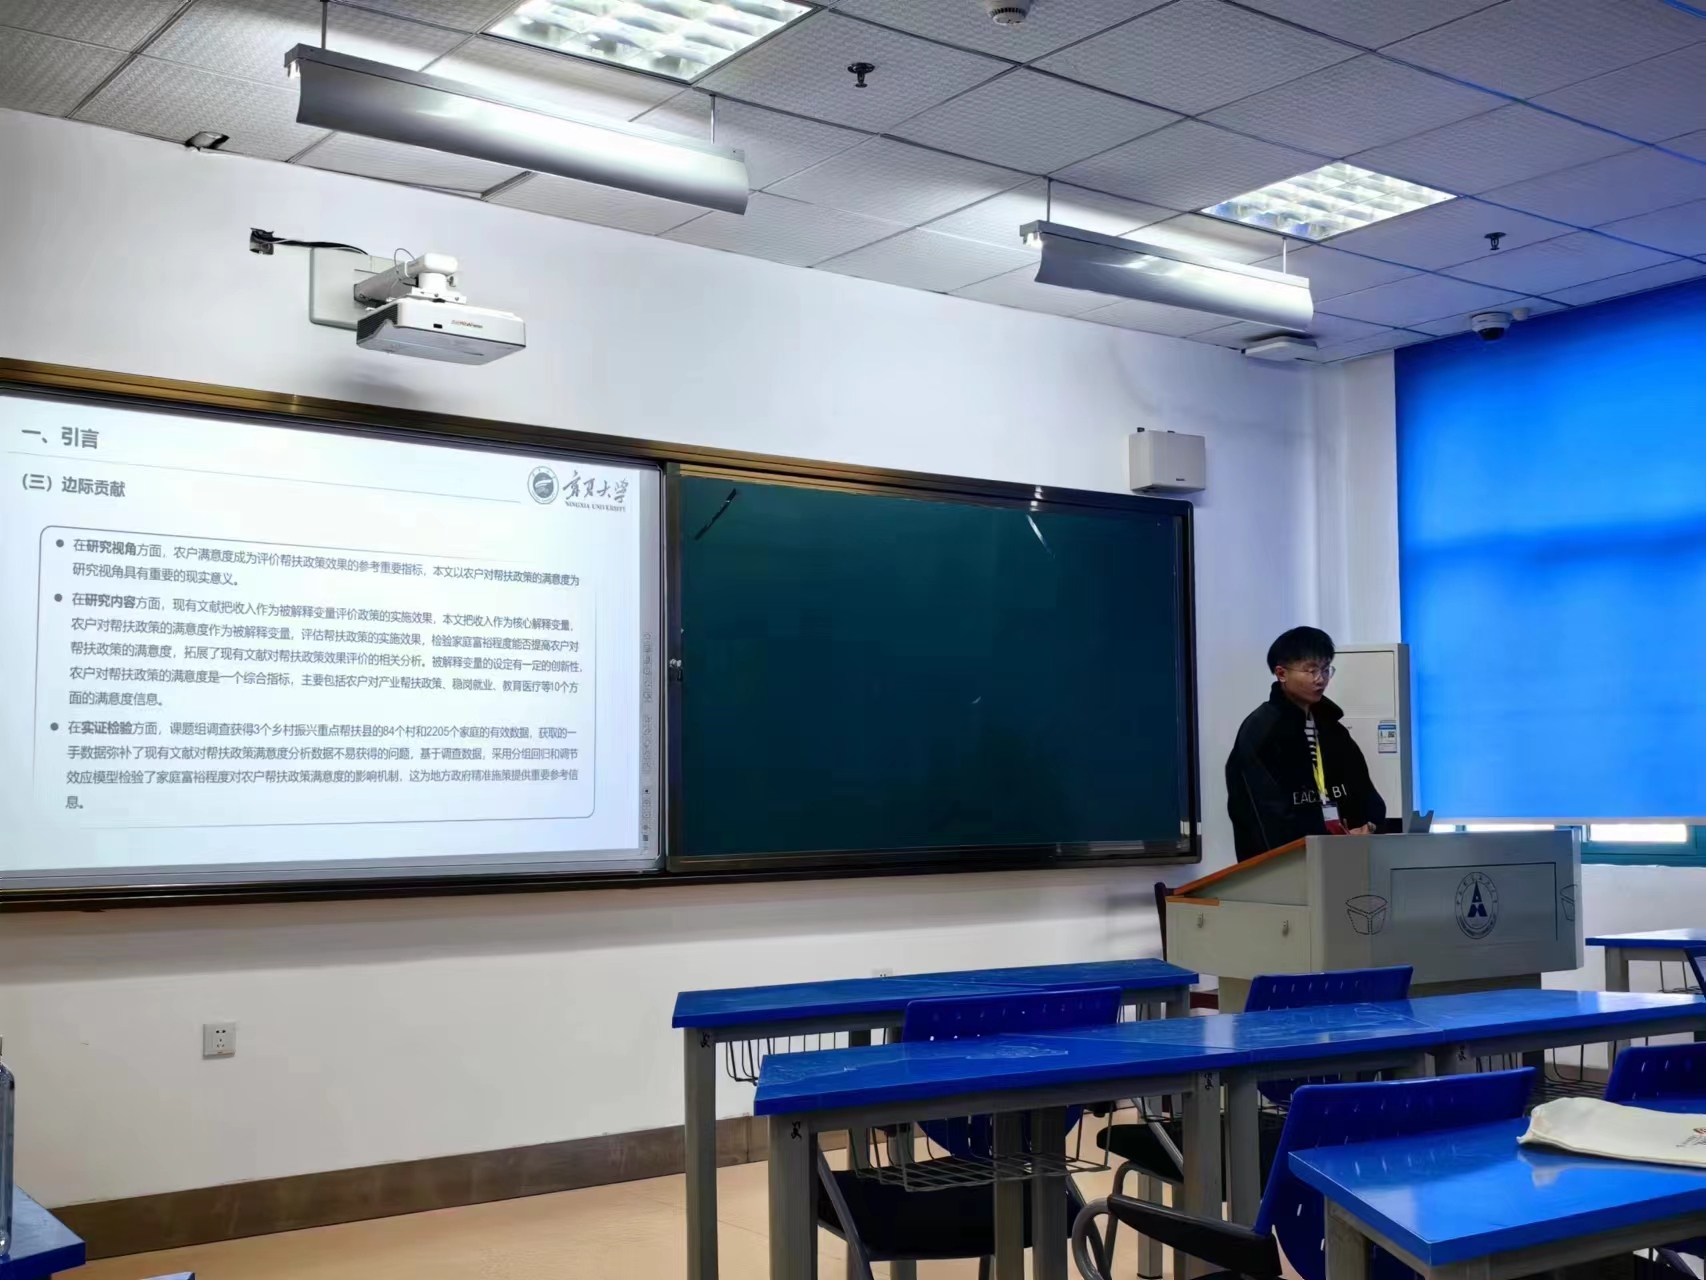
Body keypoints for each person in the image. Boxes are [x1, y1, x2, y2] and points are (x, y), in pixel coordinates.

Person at [1225, 626, 1386, 861]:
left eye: (1325, 669)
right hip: (1288, 864)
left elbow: (1364, 791)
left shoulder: (1333, 729)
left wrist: (1368, 825)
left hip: (1343, 857)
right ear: (1281, 673)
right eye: (1311, 671)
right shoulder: (1261, 730)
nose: (1320, 679)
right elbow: (1262, 813)